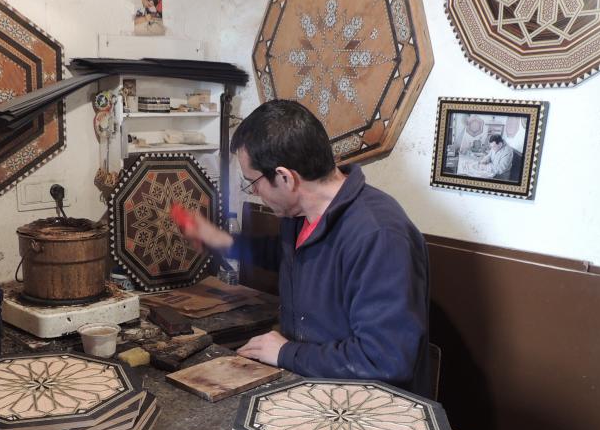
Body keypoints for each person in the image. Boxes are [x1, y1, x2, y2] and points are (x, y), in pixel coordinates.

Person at [174, 99, 431, 396]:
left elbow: (385, 359)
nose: (254, 192)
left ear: (285, 177)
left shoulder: (378, 235)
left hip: (370, 408)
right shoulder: (301, 215)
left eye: (252, 182)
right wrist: (224, 242)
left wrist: (286, 354)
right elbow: (295, 258)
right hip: (314, 384)